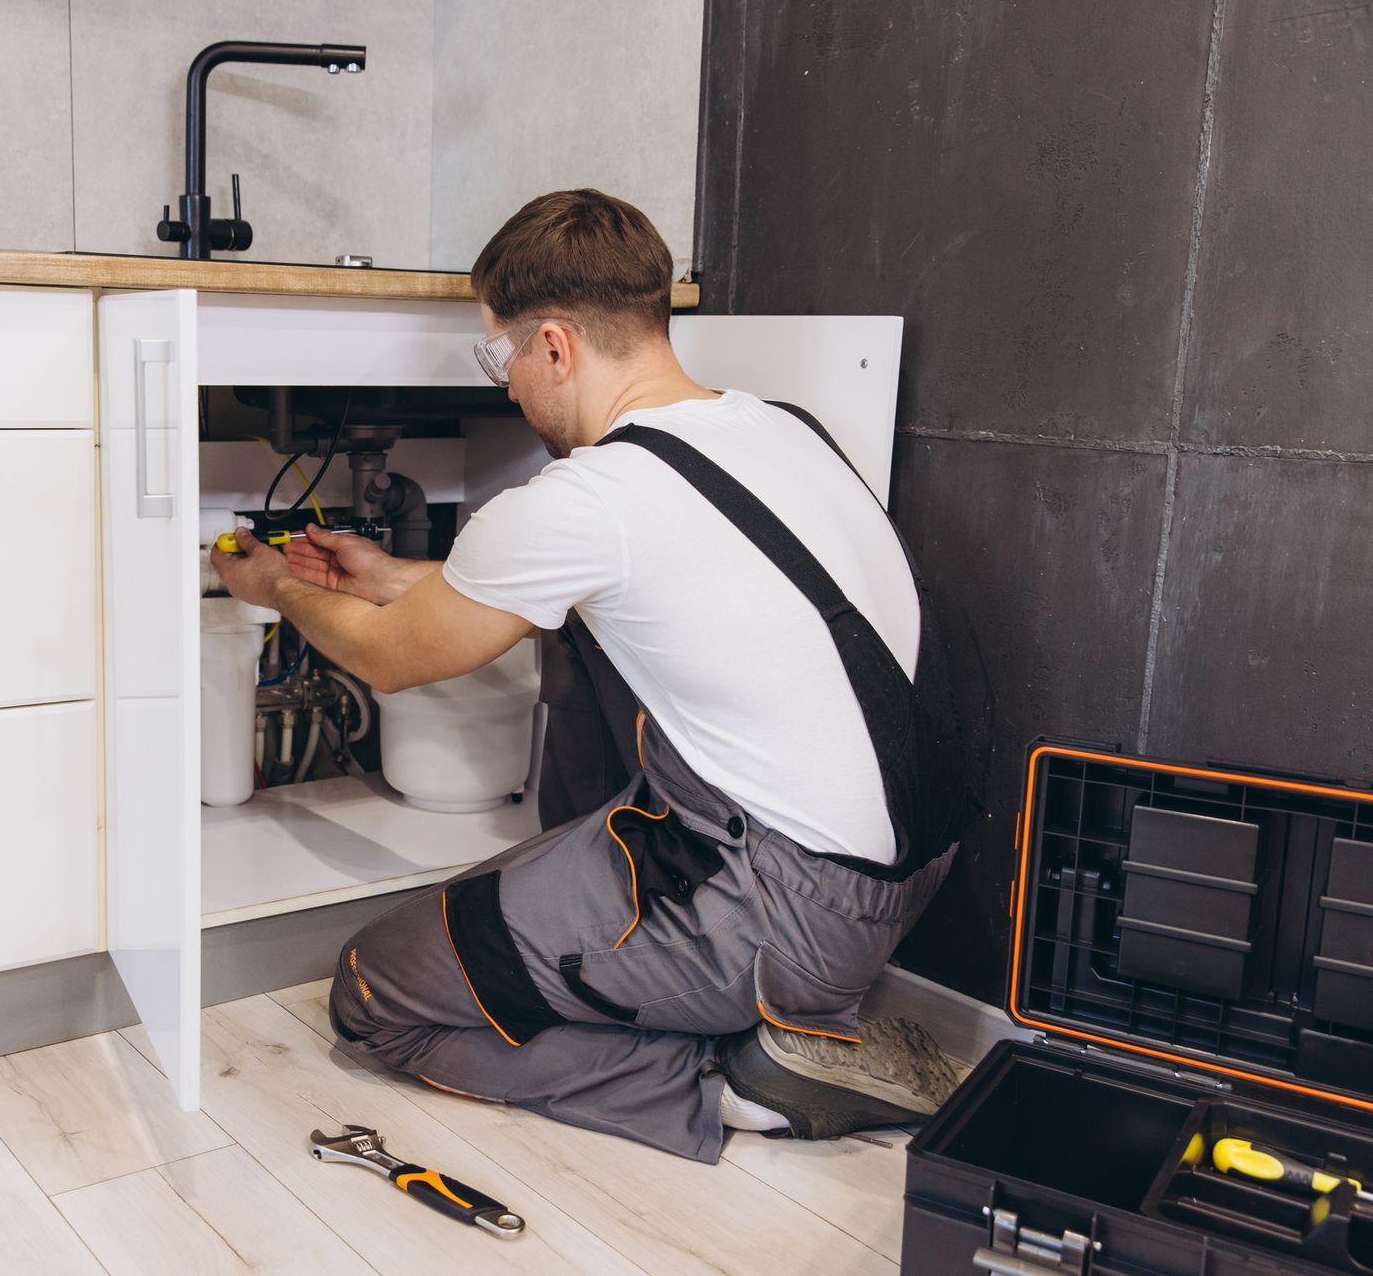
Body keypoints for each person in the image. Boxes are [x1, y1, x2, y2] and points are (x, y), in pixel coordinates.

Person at [211, 188, 966, 1162]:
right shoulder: (778, 427)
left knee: (372, 992)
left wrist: (276, 587)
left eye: (503, 356)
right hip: (904, 878)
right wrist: (399, 577)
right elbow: (602, 584)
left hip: (780, 906)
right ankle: (750, 1005)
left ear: (557, 346)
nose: (508, 387)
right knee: (585, 647)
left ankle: (747, 1081)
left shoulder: (586, 497)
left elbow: (385, 661)